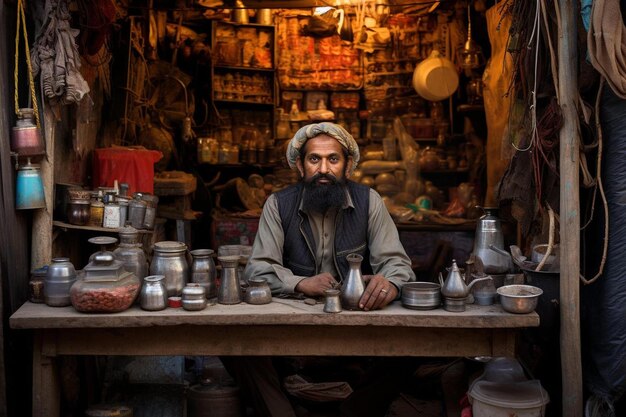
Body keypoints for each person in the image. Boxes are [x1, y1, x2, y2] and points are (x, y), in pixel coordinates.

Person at [221, 122, 417, 417]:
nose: (323, 169)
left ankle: (354, 411)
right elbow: (258, 270)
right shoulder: (278, 205)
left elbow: (398, 264)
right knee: (232, 344)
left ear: (347, 166)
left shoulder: (369, 202)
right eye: (314, 159)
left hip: (355, 322)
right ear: (300, 165)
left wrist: (389, 282)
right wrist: (300, 283)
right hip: (293, 324)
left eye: (333, 159)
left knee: (412, 345)